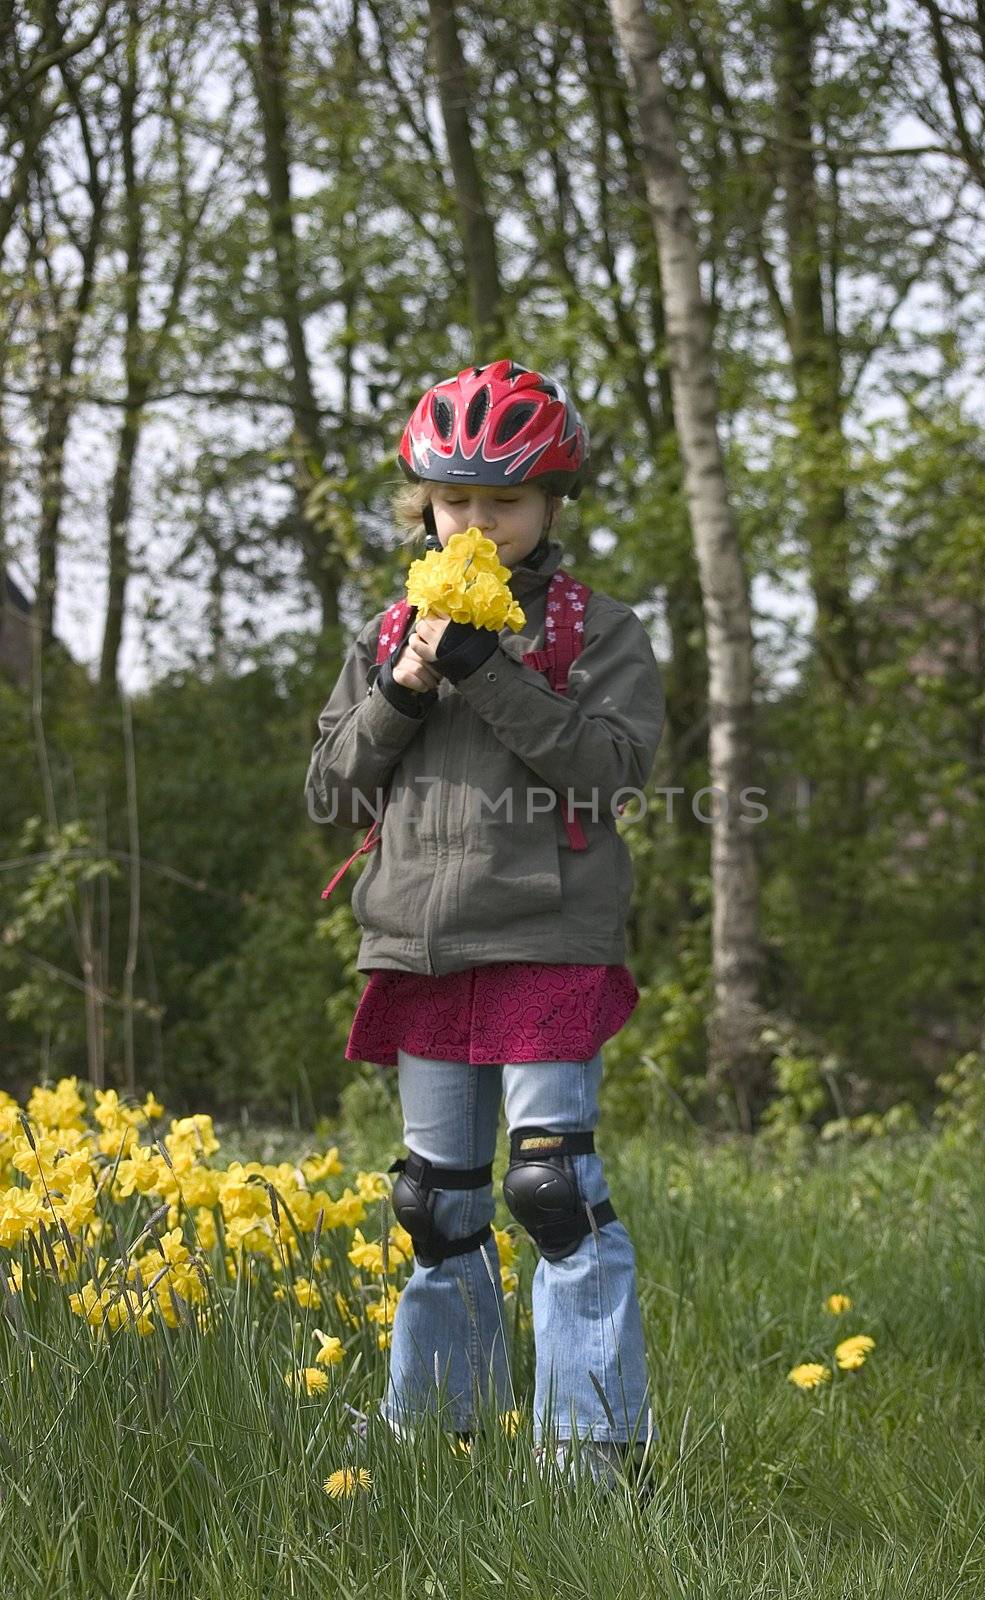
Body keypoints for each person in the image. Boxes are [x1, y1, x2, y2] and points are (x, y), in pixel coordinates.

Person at [304, 358, 665, 1491]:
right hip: (417, 940)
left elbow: (608, 774)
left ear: (550, 505)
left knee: (551, 1187)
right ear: (425, 505)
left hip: (546, 936)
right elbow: (329, 793)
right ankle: (433, 1426)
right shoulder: (384, 629)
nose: (477, 521)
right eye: (455, 501)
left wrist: (489, 667)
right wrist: (407, 682)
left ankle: (589, 1446)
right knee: (435, 1200)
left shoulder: (596, 630)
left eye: (503, 502)